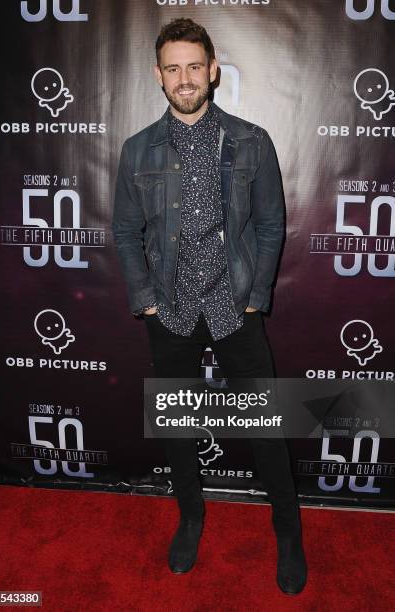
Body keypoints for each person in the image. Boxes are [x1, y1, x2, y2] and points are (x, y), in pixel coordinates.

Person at [112, 17, 307, 595]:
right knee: (177, 425)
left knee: (266, 427)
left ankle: (288, 532)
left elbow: (271, 224)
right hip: (170, 310)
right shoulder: (138, 149)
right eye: (172, 68)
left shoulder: (251, 141)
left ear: (213, 70)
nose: (185, 78)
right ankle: (190, 517)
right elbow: (125, 232)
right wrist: (145, 299)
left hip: (234, 305)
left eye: (194, 66)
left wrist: (256, 296)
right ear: (158, 76)